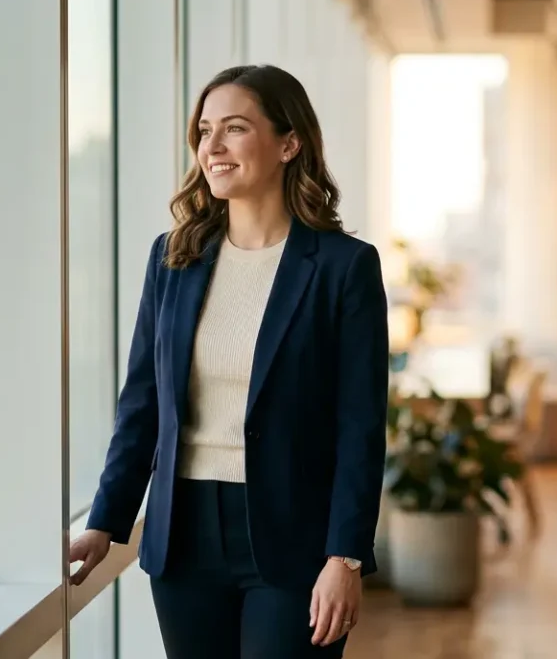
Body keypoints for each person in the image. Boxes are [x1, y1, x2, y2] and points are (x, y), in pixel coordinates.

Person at [68, 64, 388, 658]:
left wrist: (345, 556)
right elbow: (141, 405)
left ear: (289, 143)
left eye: (234, 128)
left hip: (295, 541)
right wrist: (104, 520)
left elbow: (360, 427)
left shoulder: (345, 267)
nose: (211, 147)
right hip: (183, 537)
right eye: (204, 130)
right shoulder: (173, 257)